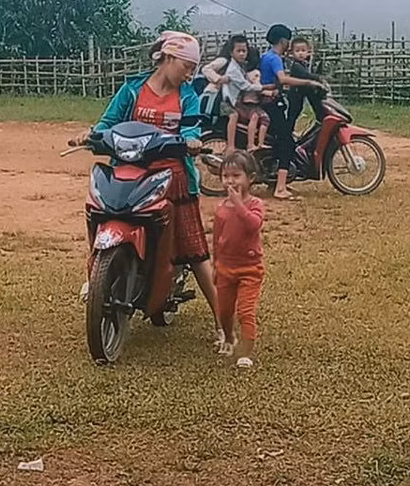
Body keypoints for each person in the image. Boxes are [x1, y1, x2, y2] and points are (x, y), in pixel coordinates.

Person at [76, 31, 223, 346]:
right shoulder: (132, 89)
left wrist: (192, 139)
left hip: (172, 175)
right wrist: (90, 135)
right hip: (128, 170)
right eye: (187, 66)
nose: (191, 74)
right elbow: (108, 123)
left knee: (195, 251)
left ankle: (224, 323)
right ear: (168, 58)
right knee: (100, 211)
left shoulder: (188, 96)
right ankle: (97, 273)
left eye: (194, 68)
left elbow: (192, 128)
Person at [258, 24, 324, 200]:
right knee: (287, 143)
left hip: (268, 102)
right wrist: (308, 83)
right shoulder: (275, 58)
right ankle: (280, 188)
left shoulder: (267, 56)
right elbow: (282, 78)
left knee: (281, 140)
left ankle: (273, 182)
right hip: (272, 105)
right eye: (288, 41)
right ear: (283, 41)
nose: (289, 45)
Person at [213, 150, 265, 368]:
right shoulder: (221, 209)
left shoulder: (255, 204)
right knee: (224, 312)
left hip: (250, 269)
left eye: (236, 176)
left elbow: (253, 225)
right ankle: (228, 336)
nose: (230, 181)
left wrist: (239, 203)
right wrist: (215, 264)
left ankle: (246, 352)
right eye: (226, 176)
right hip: (225, 268)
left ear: (250, 178)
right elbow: (217, 239)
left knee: (245, 311)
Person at [201, 35, 269, 151]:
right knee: (234, 115)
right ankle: (231, 146)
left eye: (244, 51)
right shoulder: (224, 61)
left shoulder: (240, 65)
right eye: (239, 50)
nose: (242, 54)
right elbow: (205, 69)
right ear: (231, 51)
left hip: (226, 98)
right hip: (217, 97)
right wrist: (219, 79)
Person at [285, 36, 328, 135]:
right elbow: (306, 76)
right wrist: (318, 78)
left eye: (303, 50)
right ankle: (287, 134)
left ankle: (290, 132)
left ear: (308, 52)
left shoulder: (303, 64)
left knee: (297, 112)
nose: (300, 53)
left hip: (301, 94)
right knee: (293, 114)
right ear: (292, 53)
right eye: (297, 51)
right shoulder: (296, 66)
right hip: (295, 95)